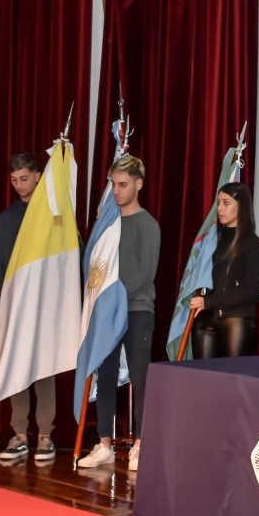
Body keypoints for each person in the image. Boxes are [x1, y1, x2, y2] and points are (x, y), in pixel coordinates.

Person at [79, 155, 159, 472]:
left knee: (140, 377)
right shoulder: (107, 224)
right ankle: (105, 444)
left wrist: (113, 297)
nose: (117, 191)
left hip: (136, 310)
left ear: (138, 184)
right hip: (107, 313)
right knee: (107, 375)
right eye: (113, 184)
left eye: (123, 184)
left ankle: (141, 444)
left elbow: (146, 273)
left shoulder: (147, 225)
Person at [0, 152, 57, 462]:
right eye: (14, 181)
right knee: (18, 368)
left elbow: (69, 257)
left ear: (38, 176)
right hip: (17, 306)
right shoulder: (9, 217)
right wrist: (14, 294)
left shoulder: (55, 214)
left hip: (47, 306)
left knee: (44, 369)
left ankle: (45, 435)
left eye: (25, 179)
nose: (19, 185)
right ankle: (19, 434)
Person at [189, 182, 259, 358]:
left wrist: (208, 302)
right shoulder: (211, 241)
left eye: (226, 203)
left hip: (236, 321)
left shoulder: (254, 246)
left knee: (230, 380)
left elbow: (249, 291)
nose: (220, 208)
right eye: (218, 203)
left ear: (241, 206)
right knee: (203, 378)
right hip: (205, 320)